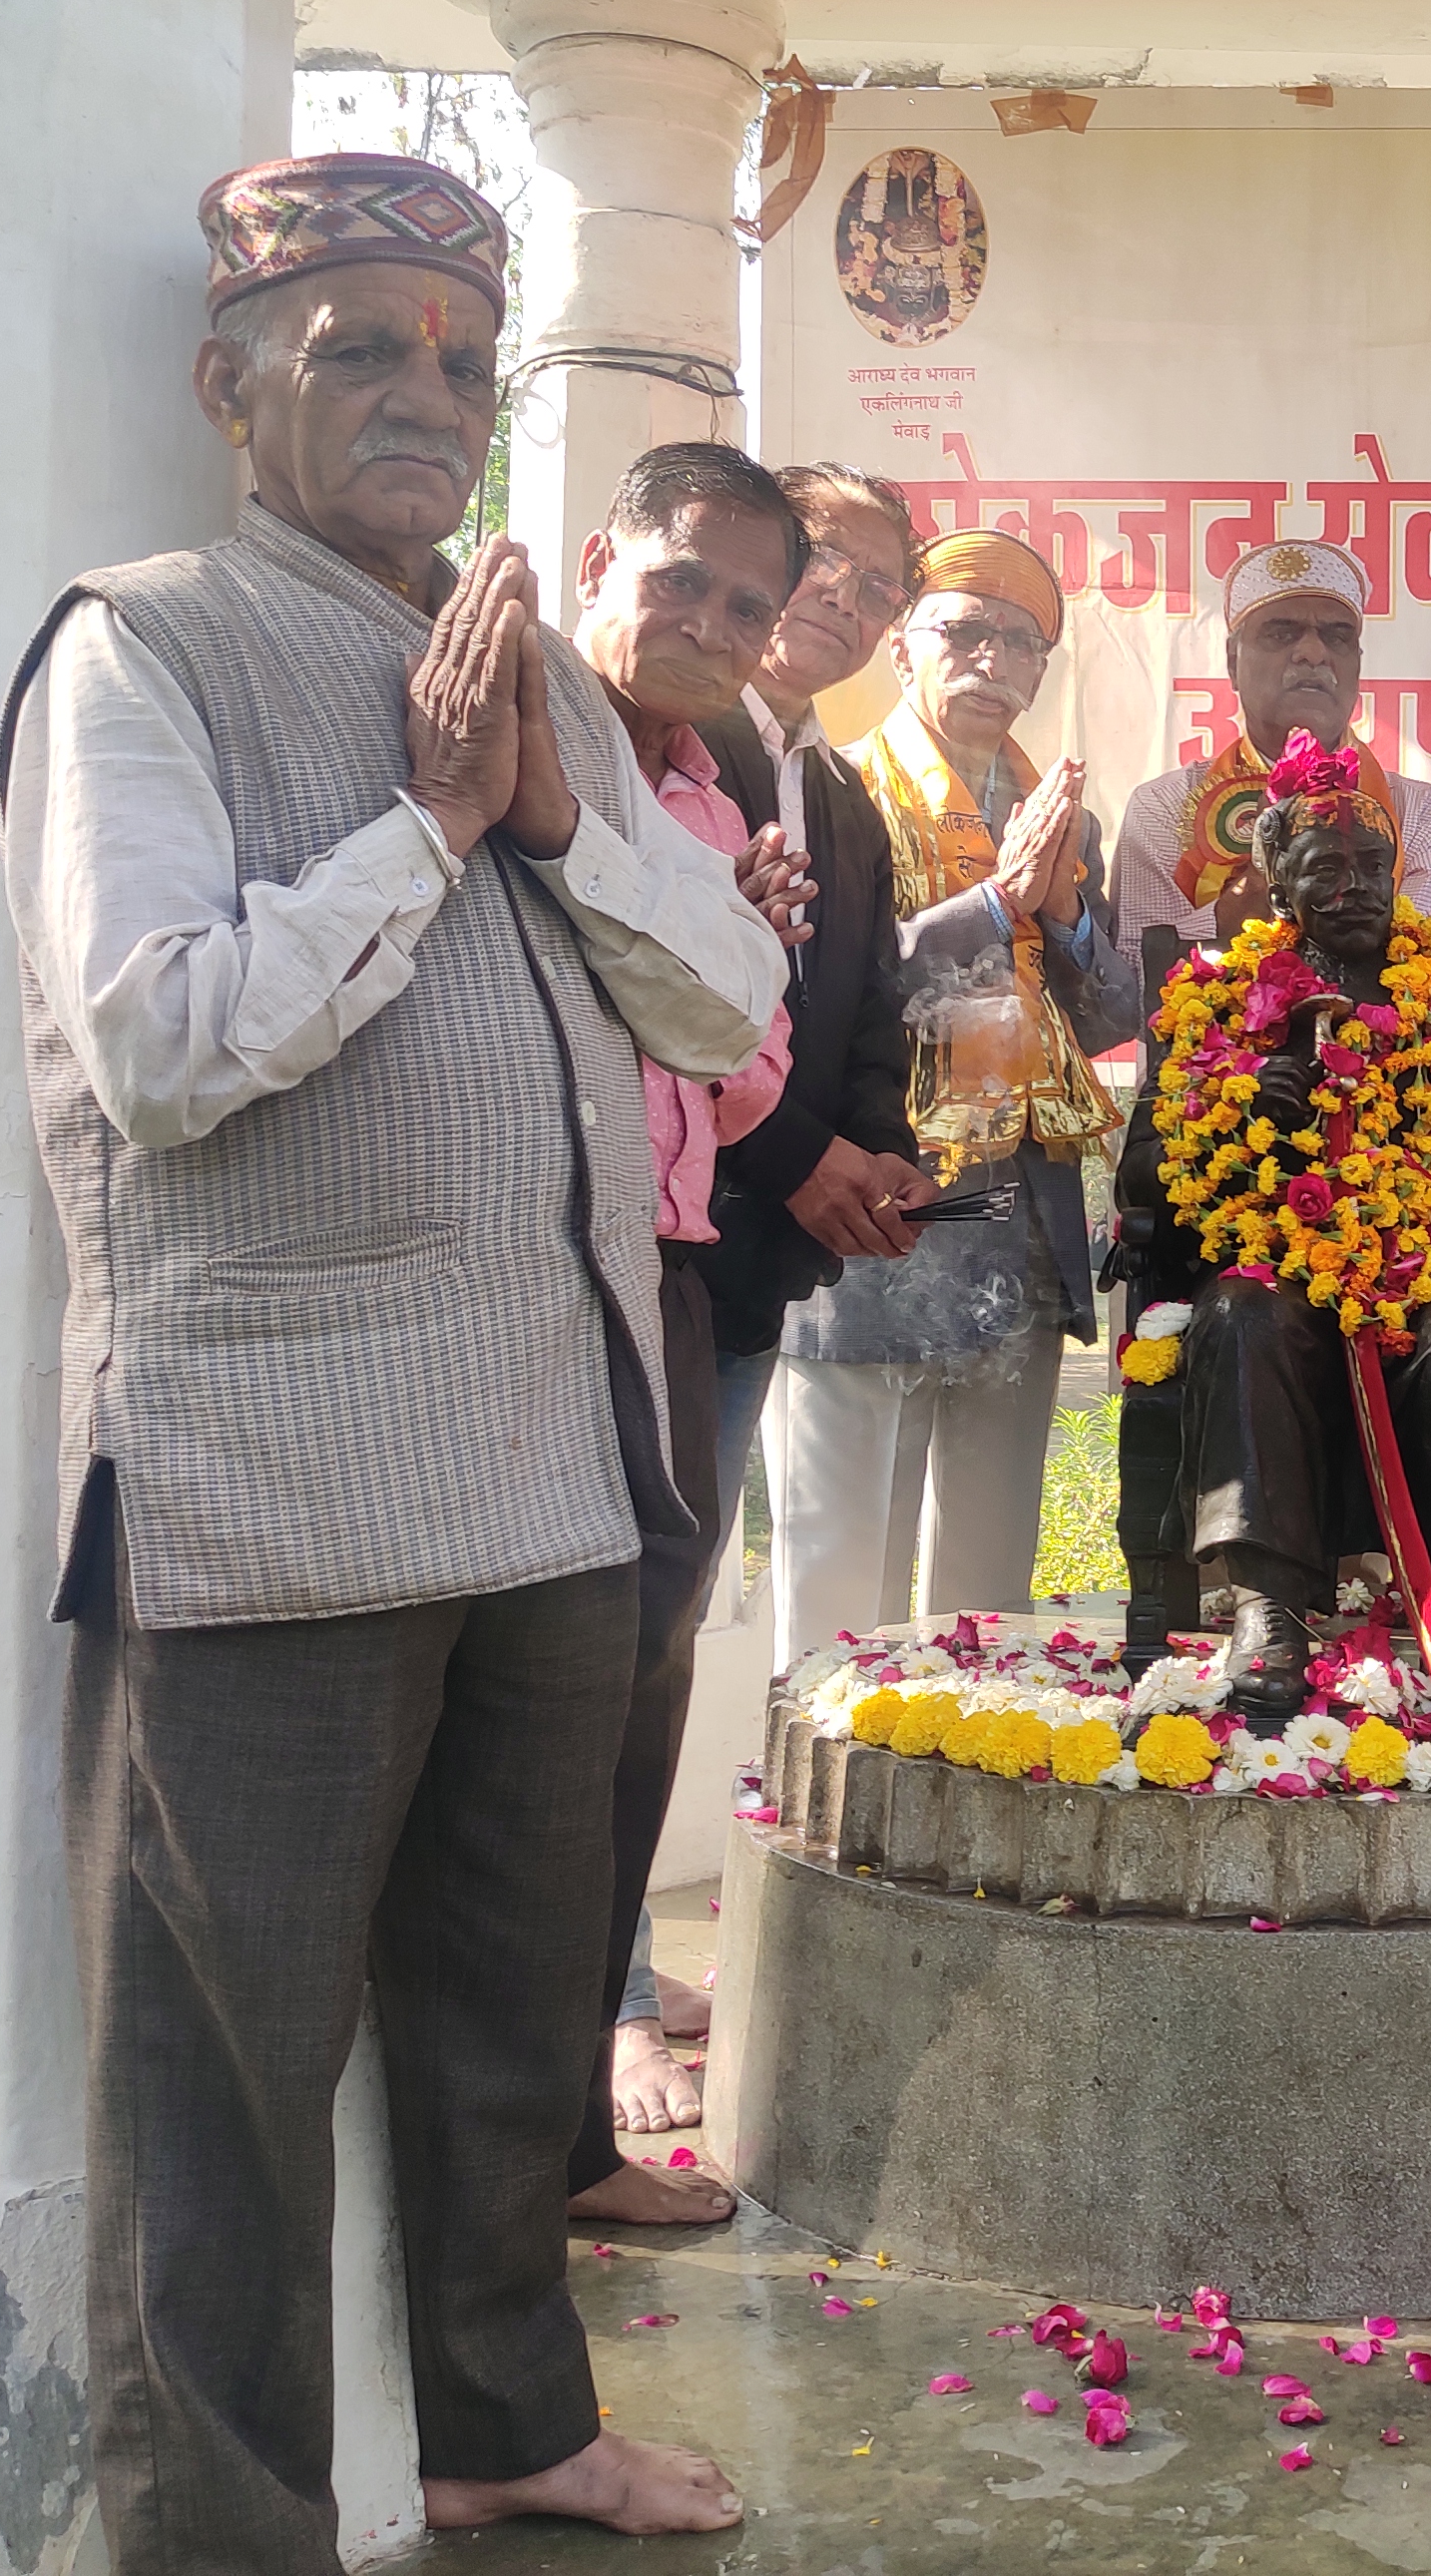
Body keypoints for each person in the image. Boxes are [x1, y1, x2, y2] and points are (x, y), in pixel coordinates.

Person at [0, 152, 777, 2564]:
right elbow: (163, 1036)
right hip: (271, 1487)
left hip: (554, 1463)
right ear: (232, 389)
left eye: (460, 354)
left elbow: (731, 1006)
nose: (424, 397)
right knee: (219, 2084)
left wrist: (554, 817)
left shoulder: (537, 676)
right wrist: (430, 836)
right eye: (360, 350)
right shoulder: (140, 643)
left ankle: (505, 2425)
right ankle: (217, 2533)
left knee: (508, 2014)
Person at [1115, 737, 1431, 1718]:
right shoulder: (1211, 999)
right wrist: (1244, 1102)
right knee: (1244, 1316)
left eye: (1371, 867)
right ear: (1273, 879)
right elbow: (1139, 1186)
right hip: (1279, 1269)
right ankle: (1266, 1609)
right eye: (1324, 869)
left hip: (1430, 1270)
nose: (1355, 887)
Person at [559, 440, 808, 2223]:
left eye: (747, 606)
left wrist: (749, 959)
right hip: (527, 1262)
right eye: (682, 581)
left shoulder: (719, 806)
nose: (709, 626)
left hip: (668, 1269)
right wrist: (710, 961)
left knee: (644, 1676)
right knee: (539, 1694)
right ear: (601, 556)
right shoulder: (531, 739)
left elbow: (732, 1083)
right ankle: (536, 2125)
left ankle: (573, 2130)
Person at [767, 526, 1136, 1647]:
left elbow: (1114, 1015)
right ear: (905, 648)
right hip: (879, 1200)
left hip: (1017, 1220)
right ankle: (821, 1782)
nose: (990, 658)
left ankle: (971, 1771)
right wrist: (994, 907)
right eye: (960, 631)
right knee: (844, 1575)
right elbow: (827, 989)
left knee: (988, 1578)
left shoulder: (1060, 814)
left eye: (1018, 641)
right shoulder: (830, 789)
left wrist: (1059, 906)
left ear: (1039, 674)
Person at [691, 462, 936, 1643]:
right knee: (624, 1622)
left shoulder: (843, 793)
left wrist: (879, 1151)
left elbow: (871, 1005)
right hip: (658, 1248)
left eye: (880, 588)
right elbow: (652, 996)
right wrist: (800, 1155)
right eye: (824, 559)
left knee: (666, 1620)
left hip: (762, 1261)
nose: (846, 596)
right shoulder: (669, 742)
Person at [1117, 535, 1431, 945]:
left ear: (1357, 665)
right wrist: (1247, 899)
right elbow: (1136, 977)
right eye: (1281, 634)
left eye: (1337, 636)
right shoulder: (1163, 811)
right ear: (1233, 662)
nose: (1312, 652)